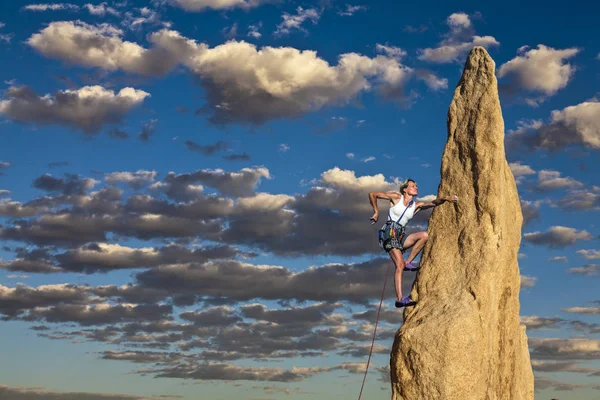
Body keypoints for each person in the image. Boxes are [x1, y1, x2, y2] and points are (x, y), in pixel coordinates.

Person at [368, 179, 458, 308]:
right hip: (389, 232)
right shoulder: (396, 197)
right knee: (398, 265)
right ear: (405, 189)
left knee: (424, 235)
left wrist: (446, 198)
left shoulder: (416, 205)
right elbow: (372, 194)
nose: (416, 187)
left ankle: (408, 262)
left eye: (416, 186)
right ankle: (399, 299)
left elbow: (433, 203)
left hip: (400, 236)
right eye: (413, 186)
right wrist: (376, 211)